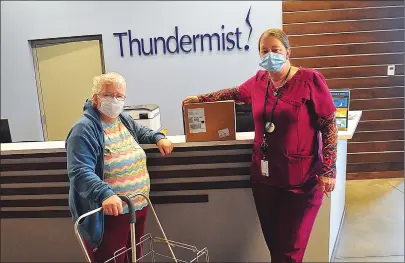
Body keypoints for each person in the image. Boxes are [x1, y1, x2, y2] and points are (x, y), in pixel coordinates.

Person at [182, 28, 338, 263]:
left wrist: (328, 170)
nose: (270, 55)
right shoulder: (259, 81)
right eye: (264, 51)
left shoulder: (309, 80)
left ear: (288, 53)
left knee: (290, 252)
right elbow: (234, 92)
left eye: (275, 50)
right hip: (265, 180)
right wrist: (201, 99)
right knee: (276, 247)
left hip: (301, 181)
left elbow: (329, 125)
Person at [66, 72, 173, 262]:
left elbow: (142, 131)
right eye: (108, 94)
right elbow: (79, 172)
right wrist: (105, 194)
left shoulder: (123, 120)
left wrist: (158, 137)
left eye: (119, 96)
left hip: (137, 206)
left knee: (134, 257)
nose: (114, 99)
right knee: (112, 259)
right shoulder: (83, 129)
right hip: (111, 213)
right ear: (95, 97)